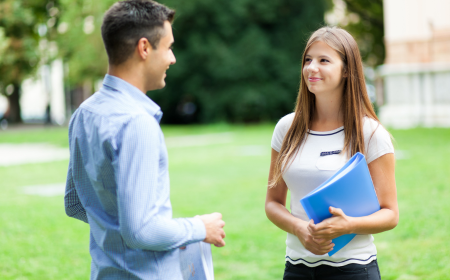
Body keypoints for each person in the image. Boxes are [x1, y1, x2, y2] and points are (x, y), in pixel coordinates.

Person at [64, 1, 225, 279]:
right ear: (144, 48)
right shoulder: (137, 122)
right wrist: (200, 227)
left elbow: (75, 204)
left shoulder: (84, 113)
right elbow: (141, 230)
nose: (173, 58)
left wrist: (118, 232)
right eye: (169, 47)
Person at [265, 26, 398, 280]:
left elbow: (390, 214)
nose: (311, 68)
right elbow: (272, 203)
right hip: (296, 269)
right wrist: (299, 228)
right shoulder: (286, 128)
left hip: (354, 270)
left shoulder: (370, 133)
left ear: (347, 70)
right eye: (308, 59)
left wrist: (349, 225)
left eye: (324, 60)